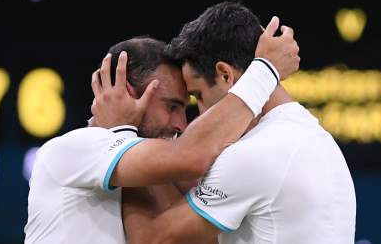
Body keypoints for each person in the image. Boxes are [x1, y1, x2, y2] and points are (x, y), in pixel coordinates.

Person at [24, 15, 300, 244]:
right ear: (127, 92)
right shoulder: (73, 149)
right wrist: (264, 71)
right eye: (172, 106)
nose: (182, 124)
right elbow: (191, 156)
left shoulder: (164, 176)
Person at [122, 1, 357, 244]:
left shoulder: (255, 153)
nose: (200, 114)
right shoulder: (311, 136)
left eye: (199, 95)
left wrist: (126, 136)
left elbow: (151, 240)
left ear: (225, 75)